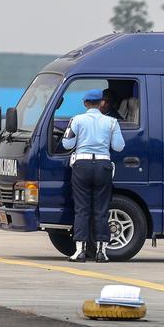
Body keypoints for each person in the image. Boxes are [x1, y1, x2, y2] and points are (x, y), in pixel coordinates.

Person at [62, 88, 125, 262]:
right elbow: (119, 146)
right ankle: (101, 252)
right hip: (104, 166)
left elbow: (67, 144)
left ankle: (80, 251)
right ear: (101, 103)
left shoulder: (77, 120)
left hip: (82, 165)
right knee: (101, 210)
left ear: (85, 103)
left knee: (82, 209)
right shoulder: (112, 122)